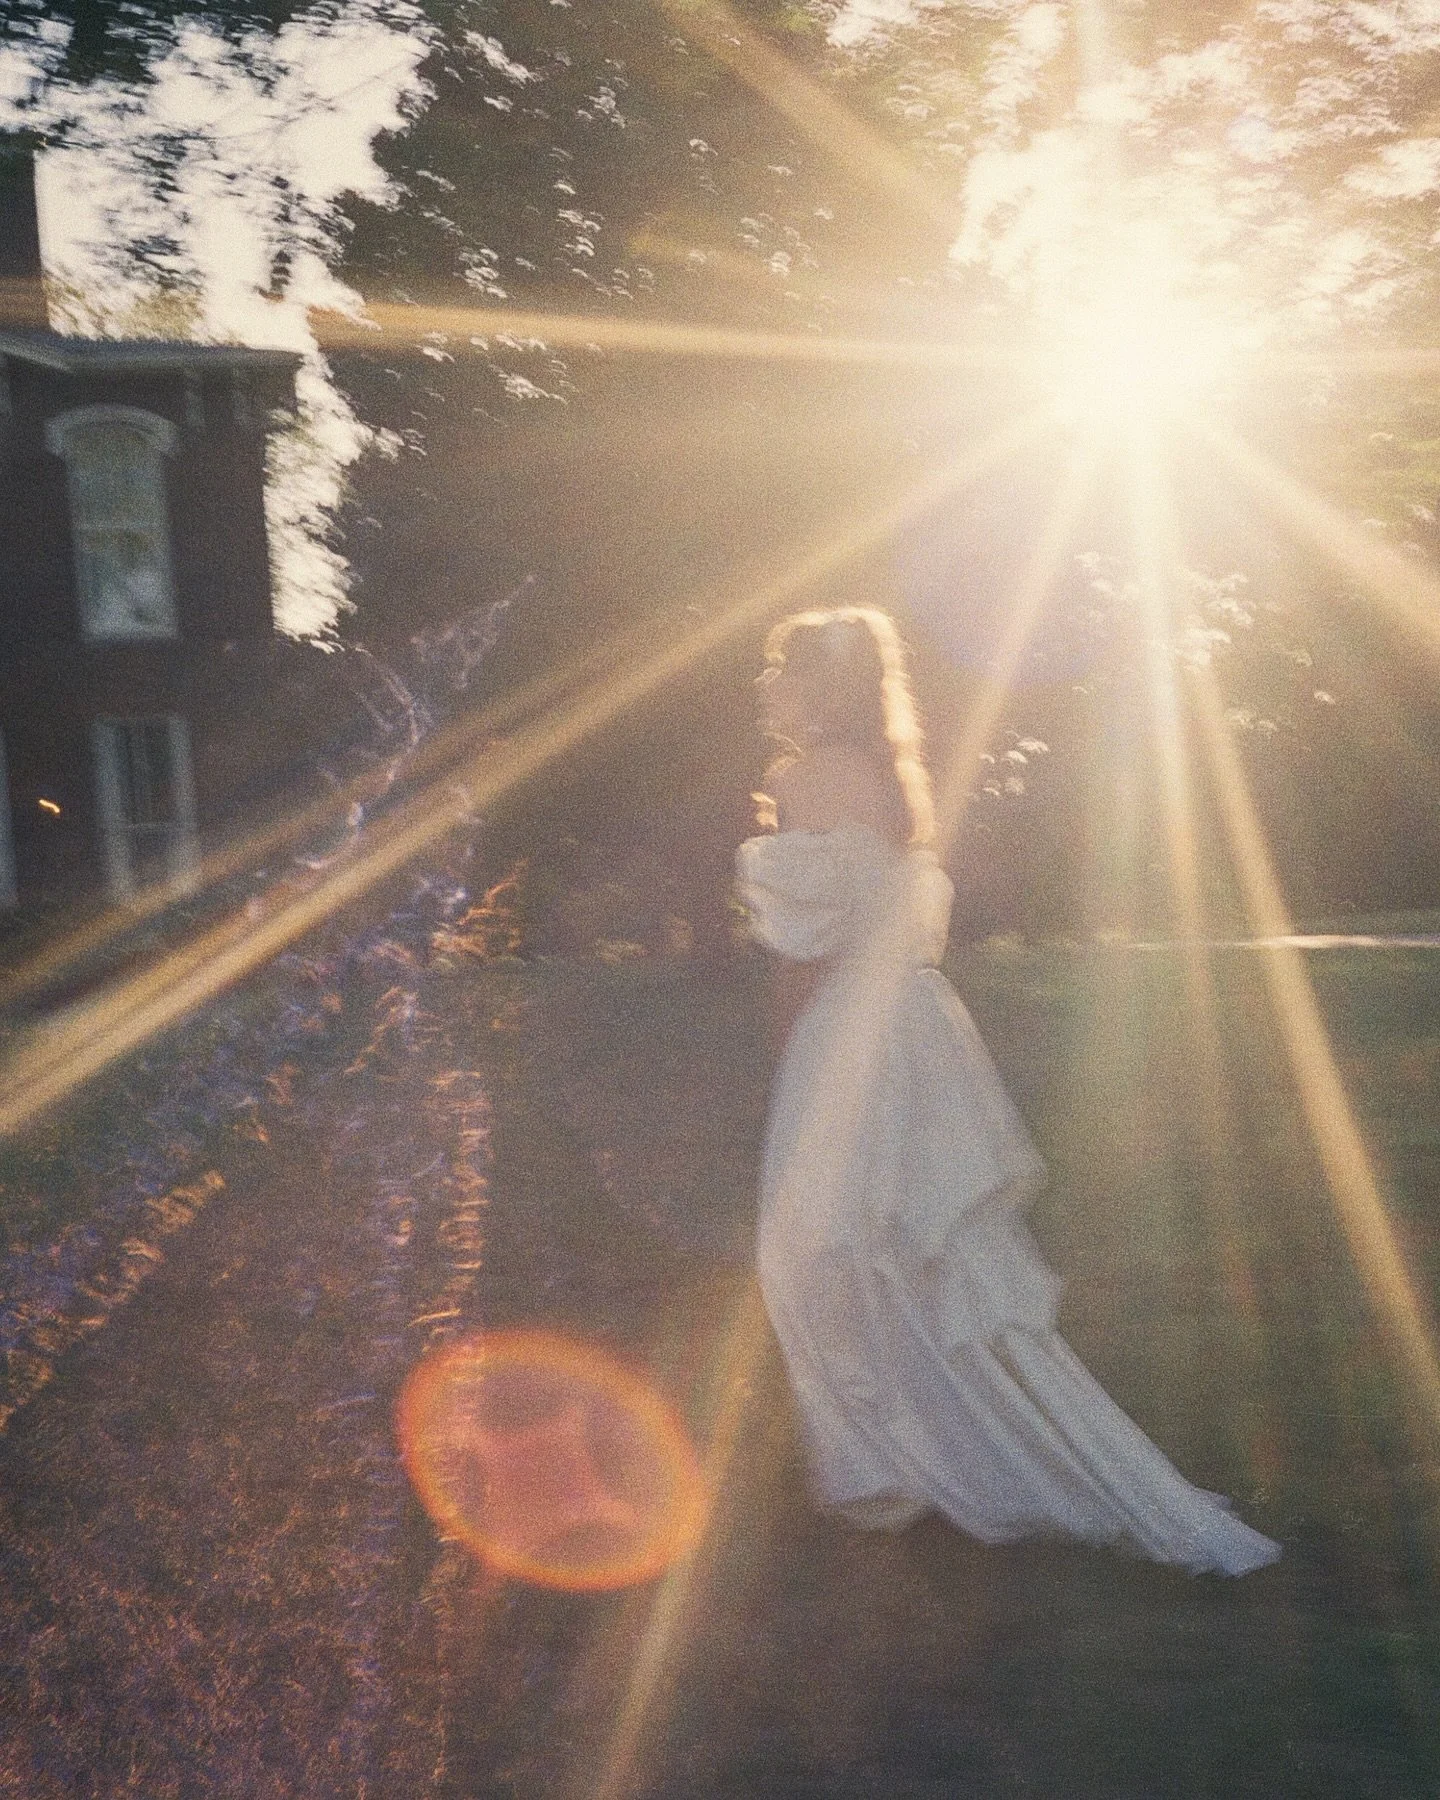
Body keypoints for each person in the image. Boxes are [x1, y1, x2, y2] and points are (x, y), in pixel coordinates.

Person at [735, 605, 1279, 1575]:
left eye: (784, 670)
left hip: (849, 1039)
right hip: (914, 1031)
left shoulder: (802, 777)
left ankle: (902, 1468)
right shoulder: (897, 783)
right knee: (905, 1253)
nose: (772, 687)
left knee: (818, 1247)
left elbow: (802, 947)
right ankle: (938, 1454)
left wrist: (789, 1059)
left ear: (819, 684)